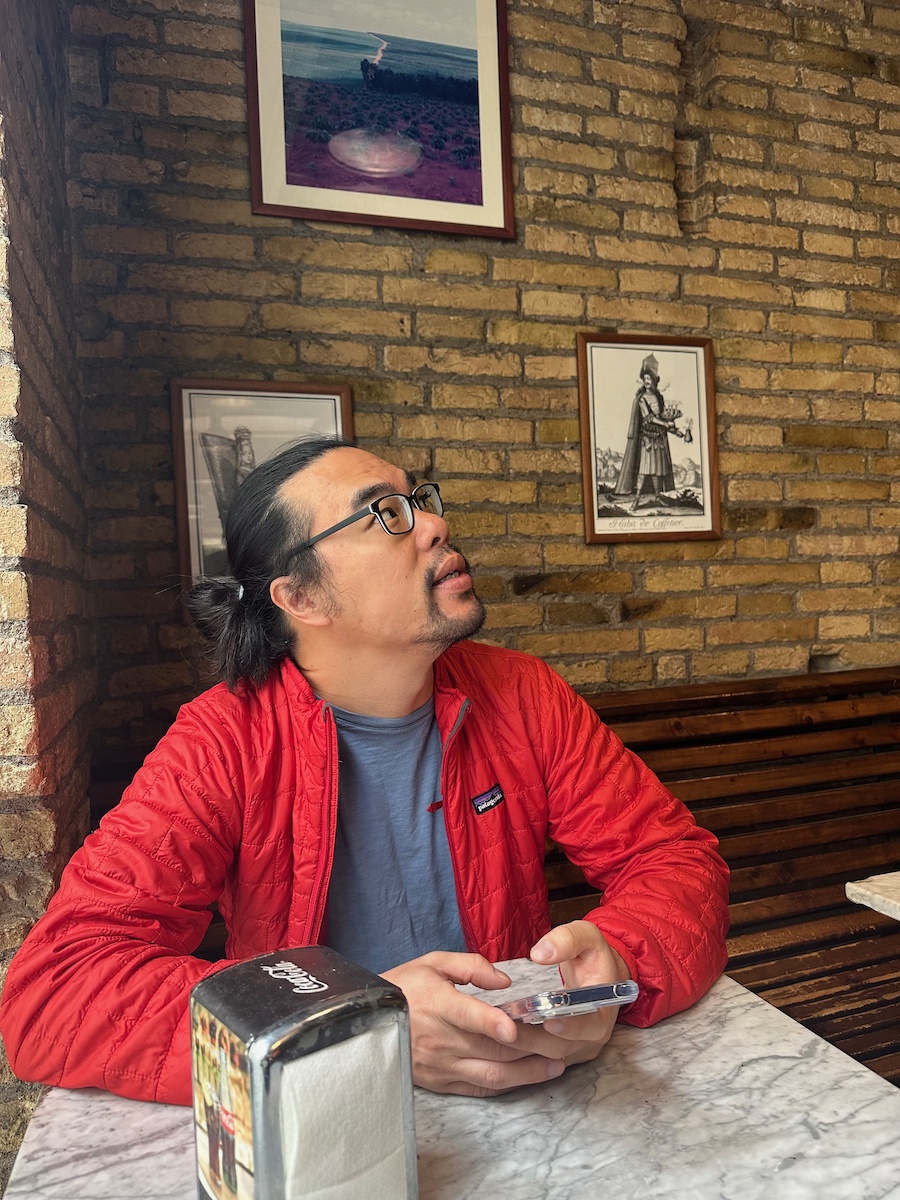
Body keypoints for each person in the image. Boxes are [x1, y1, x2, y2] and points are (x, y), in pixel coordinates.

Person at [0, 437, 729, 1105]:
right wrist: (356, 1026)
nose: (435, 525)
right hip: (331, 1118)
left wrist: (619, 959)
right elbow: (55, 994)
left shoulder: (522, 696)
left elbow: (673, 860)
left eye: (420, 501)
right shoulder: (223, 742)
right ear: (302, 597)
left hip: (526, 1088)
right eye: (386, 514)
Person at [614, 354, 689, 511]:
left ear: (655, 380)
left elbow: (662, 416)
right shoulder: (641, 399)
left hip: (659, 439)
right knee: (644, 470)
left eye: (649, 378)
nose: (647, 381)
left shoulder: (658, 397)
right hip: (647, 439)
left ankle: (657, 497)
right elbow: (649, 418)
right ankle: (636, 499)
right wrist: (666, 424)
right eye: (645, 378)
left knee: (657, 471)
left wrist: (675, 431)